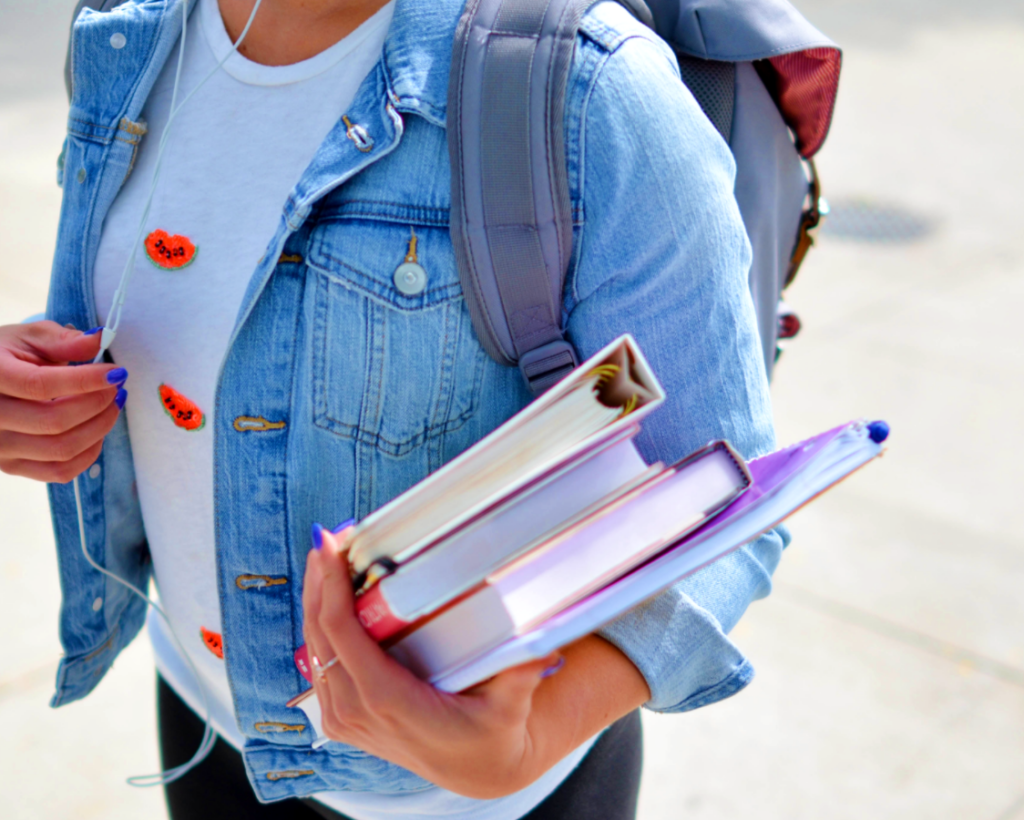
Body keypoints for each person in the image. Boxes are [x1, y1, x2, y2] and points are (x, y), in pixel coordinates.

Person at [0, 0, 786, 817]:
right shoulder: (128, 31)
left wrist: (532, 737)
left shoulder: (589, 90)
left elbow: (724, 491)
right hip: (205, 722)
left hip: (475, 802)